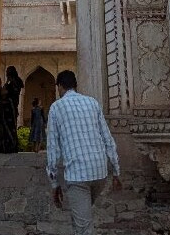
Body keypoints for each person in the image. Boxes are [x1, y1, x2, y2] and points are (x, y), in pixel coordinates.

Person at [45, 70, 121, 235]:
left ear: (60, 86)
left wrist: (54, 182)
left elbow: (53, 148)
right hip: (100, 171)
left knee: (84, 227)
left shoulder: (56, 107)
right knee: (81, 216)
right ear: (76, 85)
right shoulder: (92, 103)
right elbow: (107, 138)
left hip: (78, 174)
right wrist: (116, 171)